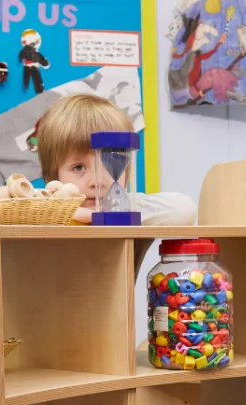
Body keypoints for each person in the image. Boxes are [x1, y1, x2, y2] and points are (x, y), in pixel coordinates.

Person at [33, 93, 197, 275]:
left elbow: (183, 209)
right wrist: (64, 213)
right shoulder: (41, 213)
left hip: (119, 303)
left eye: (109, 165)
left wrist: (102, 217)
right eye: (79, 167)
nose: (98, 182)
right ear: (51, 177)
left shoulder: (126, 213)